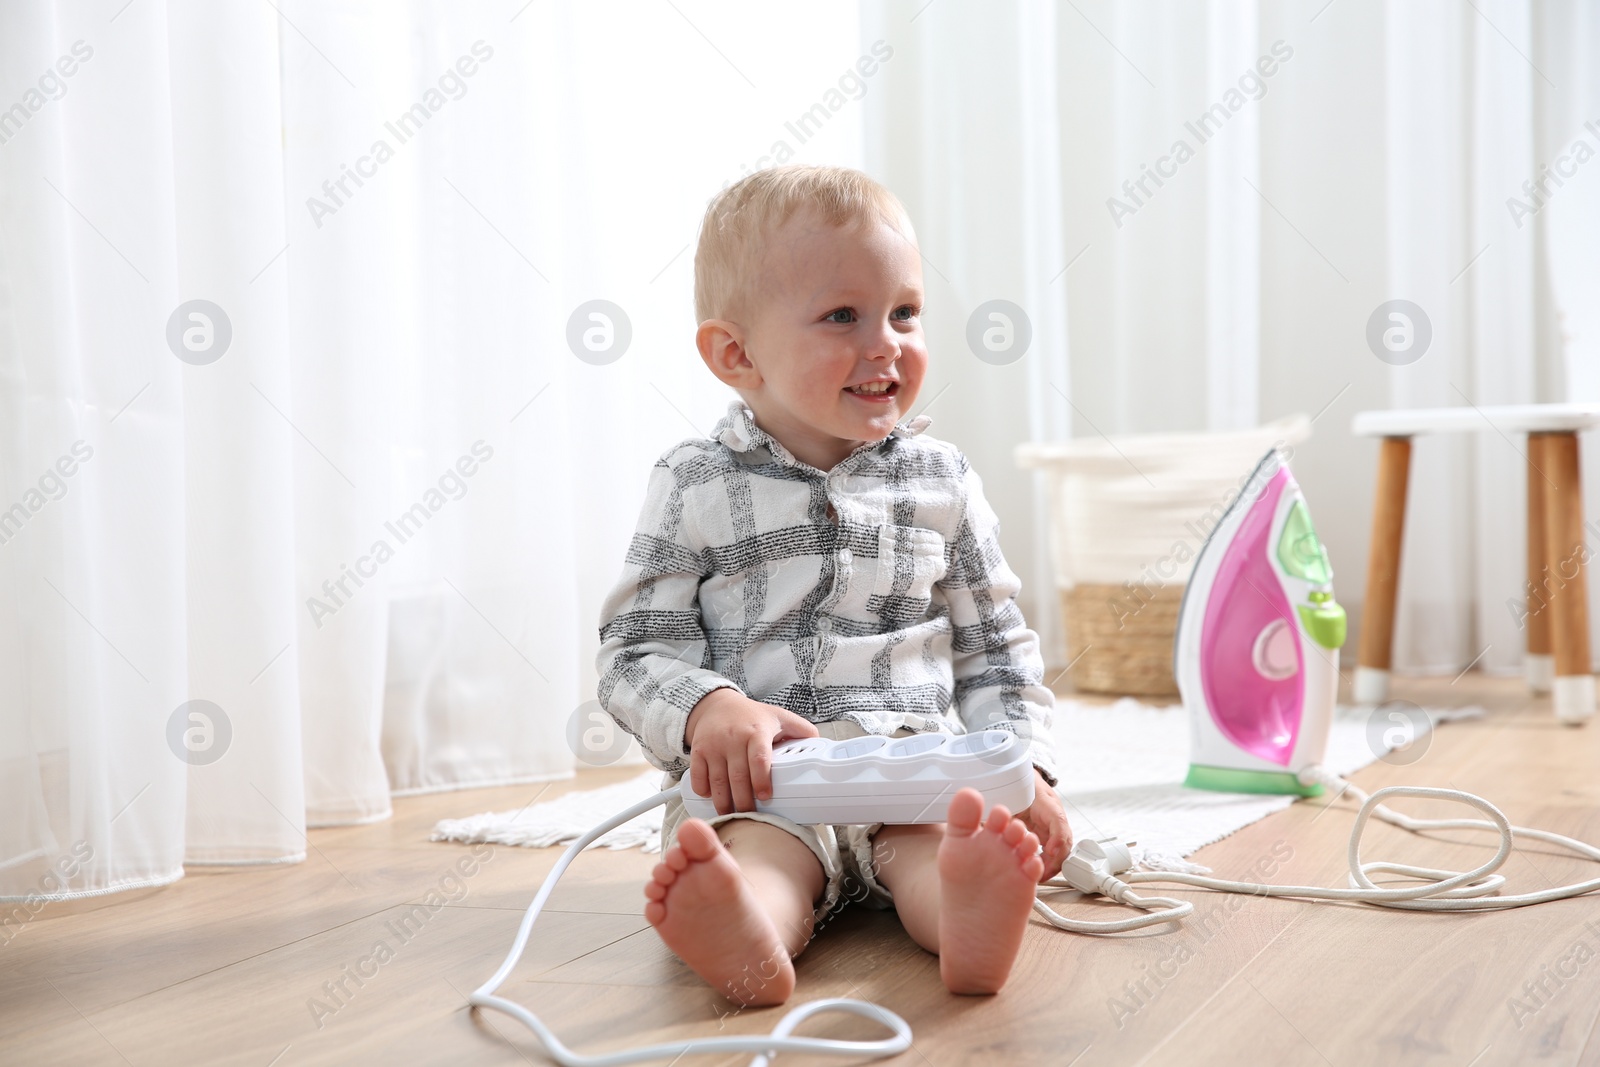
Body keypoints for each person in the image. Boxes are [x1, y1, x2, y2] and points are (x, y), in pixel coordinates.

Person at [596, 164, 1071, 1004]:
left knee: (941, 845)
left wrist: (1021, 769)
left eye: (905, 311)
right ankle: (745, 928)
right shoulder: (695, 482)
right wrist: (710, 707)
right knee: (760, 860)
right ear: (736, 353)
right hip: (771, 786)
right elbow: (636, 650)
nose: (886, 341)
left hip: (912, 770)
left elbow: (996, 649)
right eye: (843, 315)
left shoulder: (942, 479)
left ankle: (967, 913)